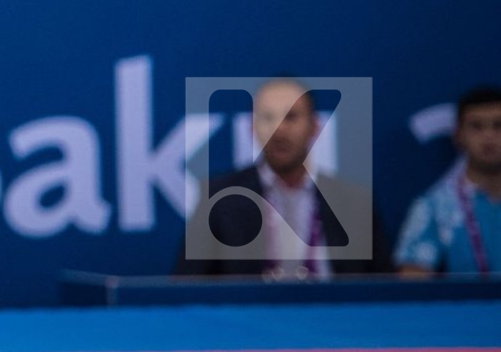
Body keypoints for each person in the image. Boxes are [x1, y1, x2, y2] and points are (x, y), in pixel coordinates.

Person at [176, 78, 392, 278]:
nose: (279, 130)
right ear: (252, 128)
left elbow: (384, 293)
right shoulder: (218, 198)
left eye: (291, 117)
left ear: (314, 126)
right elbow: (187, 290)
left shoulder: (355, 201)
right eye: (268, 118)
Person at [397, 87, 501, 276]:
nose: (489, 136)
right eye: (476, 126)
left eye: (498, 125)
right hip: (468, 305)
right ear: (458, 135)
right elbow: (412, 281)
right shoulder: (433, 206)